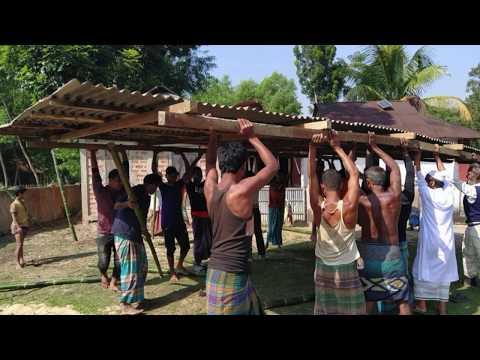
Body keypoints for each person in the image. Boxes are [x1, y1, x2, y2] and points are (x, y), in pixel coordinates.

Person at [204, 118, 279, 315]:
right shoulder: (240, 191)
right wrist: (252, 137)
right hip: (232, 273)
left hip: (219, 271)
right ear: (243, 166)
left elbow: (210, 162)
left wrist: (212, 136)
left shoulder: (210, 189)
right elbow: (272, 166)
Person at [309, 130, 366, 315]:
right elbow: (355, 174)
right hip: (346, 269)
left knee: (326, 311)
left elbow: (311, 177)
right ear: (341, 186)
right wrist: (337, 148)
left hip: (323, 269)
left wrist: (312, 148)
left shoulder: (318, 206)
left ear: (323, 187)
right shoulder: (348, 206)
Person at [357, 133, 411, 315]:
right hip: (392, 257)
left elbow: (350, 178)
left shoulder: (362, 200)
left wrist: (347, 155)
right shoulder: (394, 197)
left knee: (369, 299)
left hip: (368, 257)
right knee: (402, 302)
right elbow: (395, 169)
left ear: (370, 183)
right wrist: (376, 148)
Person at [412, 146, 459, 315]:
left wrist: (417, 156)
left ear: (432, 182)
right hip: (446, 242)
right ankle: (442, 308)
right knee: (443, 274)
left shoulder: (427, 194)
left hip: (429, 241)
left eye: (428, 179)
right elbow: (446, 176)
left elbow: (417, 172)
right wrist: (437, 156)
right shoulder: (449, 194)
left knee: (421, 270)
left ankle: (422, 305)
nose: (426, 181)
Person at [111, 173, 159, 315]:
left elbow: (141, 216)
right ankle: (125, 303)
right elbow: (116, 205)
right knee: (131, 269)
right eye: (156, 185)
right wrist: (128, 204)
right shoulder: (135, 191)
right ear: (150, 184)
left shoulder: (146, 196)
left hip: (136, 234)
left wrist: (144, 229)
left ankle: (138, 298)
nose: (156, 189)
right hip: (125, 234)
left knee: (142, 267)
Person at [90, 149, 123, 290]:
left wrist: (124, 153)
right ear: (110, 180)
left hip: (119, 232)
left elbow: (125, 171)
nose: (120, 183)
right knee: (103, 261)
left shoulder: (123, 192)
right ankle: (103, 275)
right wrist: (92, 154)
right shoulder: (101, 191)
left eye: (121, 180)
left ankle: (114, 281)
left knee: (119, 260)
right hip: (103, 231)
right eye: (117, 181)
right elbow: (95, 174)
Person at [158, 160, 192, 282]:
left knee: (186, 246)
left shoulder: (179, 185)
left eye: (175, 175)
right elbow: (153, 170)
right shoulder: (163, 186)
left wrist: (183, 156)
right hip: (167, 223)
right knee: (170, 248)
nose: (173, 177)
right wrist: (156, 154)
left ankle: (179, 265)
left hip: (179, 221)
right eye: (171, 175)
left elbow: (189, 172)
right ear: (166, 176)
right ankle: (172, 271)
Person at [450, 162, 480, 287]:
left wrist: (456, 162)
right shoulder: (473, 188)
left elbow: (456, 180)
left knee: (471, 253)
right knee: (468, 253)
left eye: (471, 172)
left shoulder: (473, 190)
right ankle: (470, 278)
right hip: (472, 226)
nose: (468, 174)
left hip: (477, 226)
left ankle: (471, 278)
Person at [183, 153, 213, 276]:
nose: (198, 176)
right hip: (197, 216)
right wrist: (195, 158)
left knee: (209, 240)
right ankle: (197, 263)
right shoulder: (190, 186)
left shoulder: (205, 184)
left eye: (200, 174)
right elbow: (186, 176)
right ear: (192, 176)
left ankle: (205, 262)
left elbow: (212, 175)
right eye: (196, 174)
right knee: (198, 240)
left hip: (208, 216)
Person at [245, 170, 266, 259]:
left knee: (252, 233)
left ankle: (254, 254)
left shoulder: (248, 186)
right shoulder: (253, 186)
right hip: (252, 209)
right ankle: (260, 253)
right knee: (255, 232)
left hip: (252, 209)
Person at [10, 186, 30, 269]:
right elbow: (14, 218)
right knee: (19, 245)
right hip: (18, 227)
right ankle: (17, 263)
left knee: (21, 244)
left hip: (24, 225)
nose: (24, 194)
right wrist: (18, 228)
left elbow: (24, 213)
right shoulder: (14, 204)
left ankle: (22, 260)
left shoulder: (22, 202)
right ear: (19, 193)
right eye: (23, 193)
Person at [267, 172, 287, 248]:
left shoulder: (282, 187)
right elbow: (274, 197)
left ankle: (278, 243)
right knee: (271, 226)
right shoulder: (272, 186)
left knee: (278, 226)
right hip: (273, 207)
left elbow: (281, 197)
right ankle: (268, 242)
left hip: (279, 207)